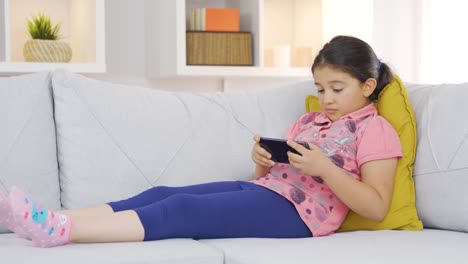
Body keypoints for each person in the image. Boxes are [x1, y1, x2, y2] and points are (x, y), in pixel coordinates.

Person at [0, 35, 402, 248]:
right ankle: (49, 216)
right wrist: (262, 160)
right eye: (320, 88)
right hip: (268, 191)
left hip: (302, 218)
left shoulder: (375, 129)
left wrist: (324, 168)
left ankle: (60, 230)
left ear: (368, 86)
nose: (326, 98)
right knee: (162, 192)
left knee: (182, 209)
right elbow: (271, 177)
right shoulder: (309, 120)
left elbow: (377, 206)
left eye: (336, 88)